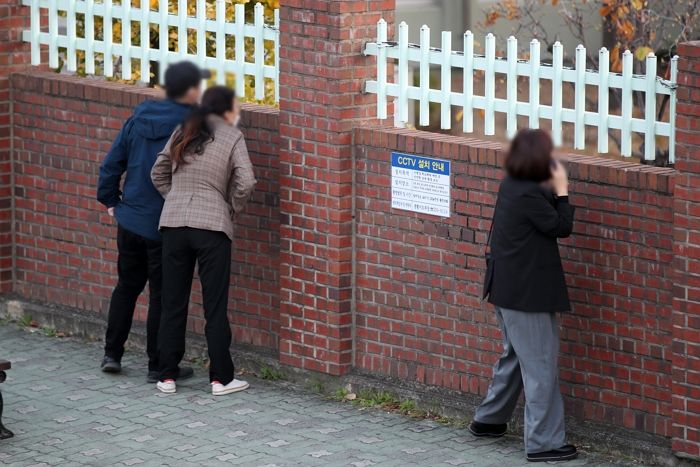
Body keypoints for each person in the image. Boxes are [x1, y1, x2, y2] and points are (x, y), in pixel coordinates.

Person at [97, 61, 210, 383]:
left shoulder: (138, 118)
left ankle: (112, 354)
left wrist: (111, 202)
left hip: (130, 219)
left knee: (127, 287)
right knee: (163, 296)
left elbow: (111, 164)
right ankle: (157, 365)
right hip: (166, 224)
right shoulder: (192, 124)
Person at [470, 129, 577, 462]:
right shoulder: (529, 192)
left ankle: (488, 421)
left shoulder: (511, 185)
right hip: (527, 298)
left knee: (516, 359)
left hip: (507, 291)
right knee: (540, 368)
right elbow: (559, 226)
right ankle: (543, 443)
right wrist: (562, 193)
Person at [151, 85, 256, 396]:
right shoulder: (232, 136)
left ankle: (166, 375)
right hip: (211, 227)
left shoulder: (184, 129)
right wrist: (230, 207)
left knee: (172, 302)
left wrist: (176, 199)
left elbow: (157, 173)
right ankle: (221, 379)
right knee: (214, 306)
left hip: (173, 225)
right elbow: (247, 181)